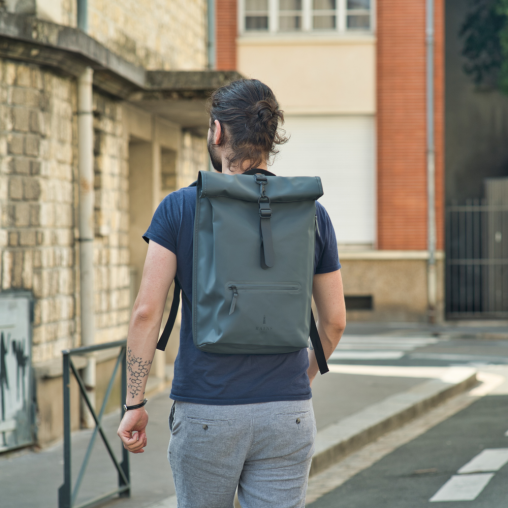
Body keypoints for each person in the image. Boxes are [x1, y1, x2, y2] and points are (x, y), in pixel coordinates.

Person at [117, 79, 346, 508]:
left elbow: (147, 313)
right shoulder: (312, 213)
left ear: (217, 132)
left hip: (207, 411)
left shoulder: (179, 208)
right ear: (268, 137)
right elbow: (334, 321)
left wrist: (134, 402)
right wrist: (300, 381)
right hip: (288, 412)